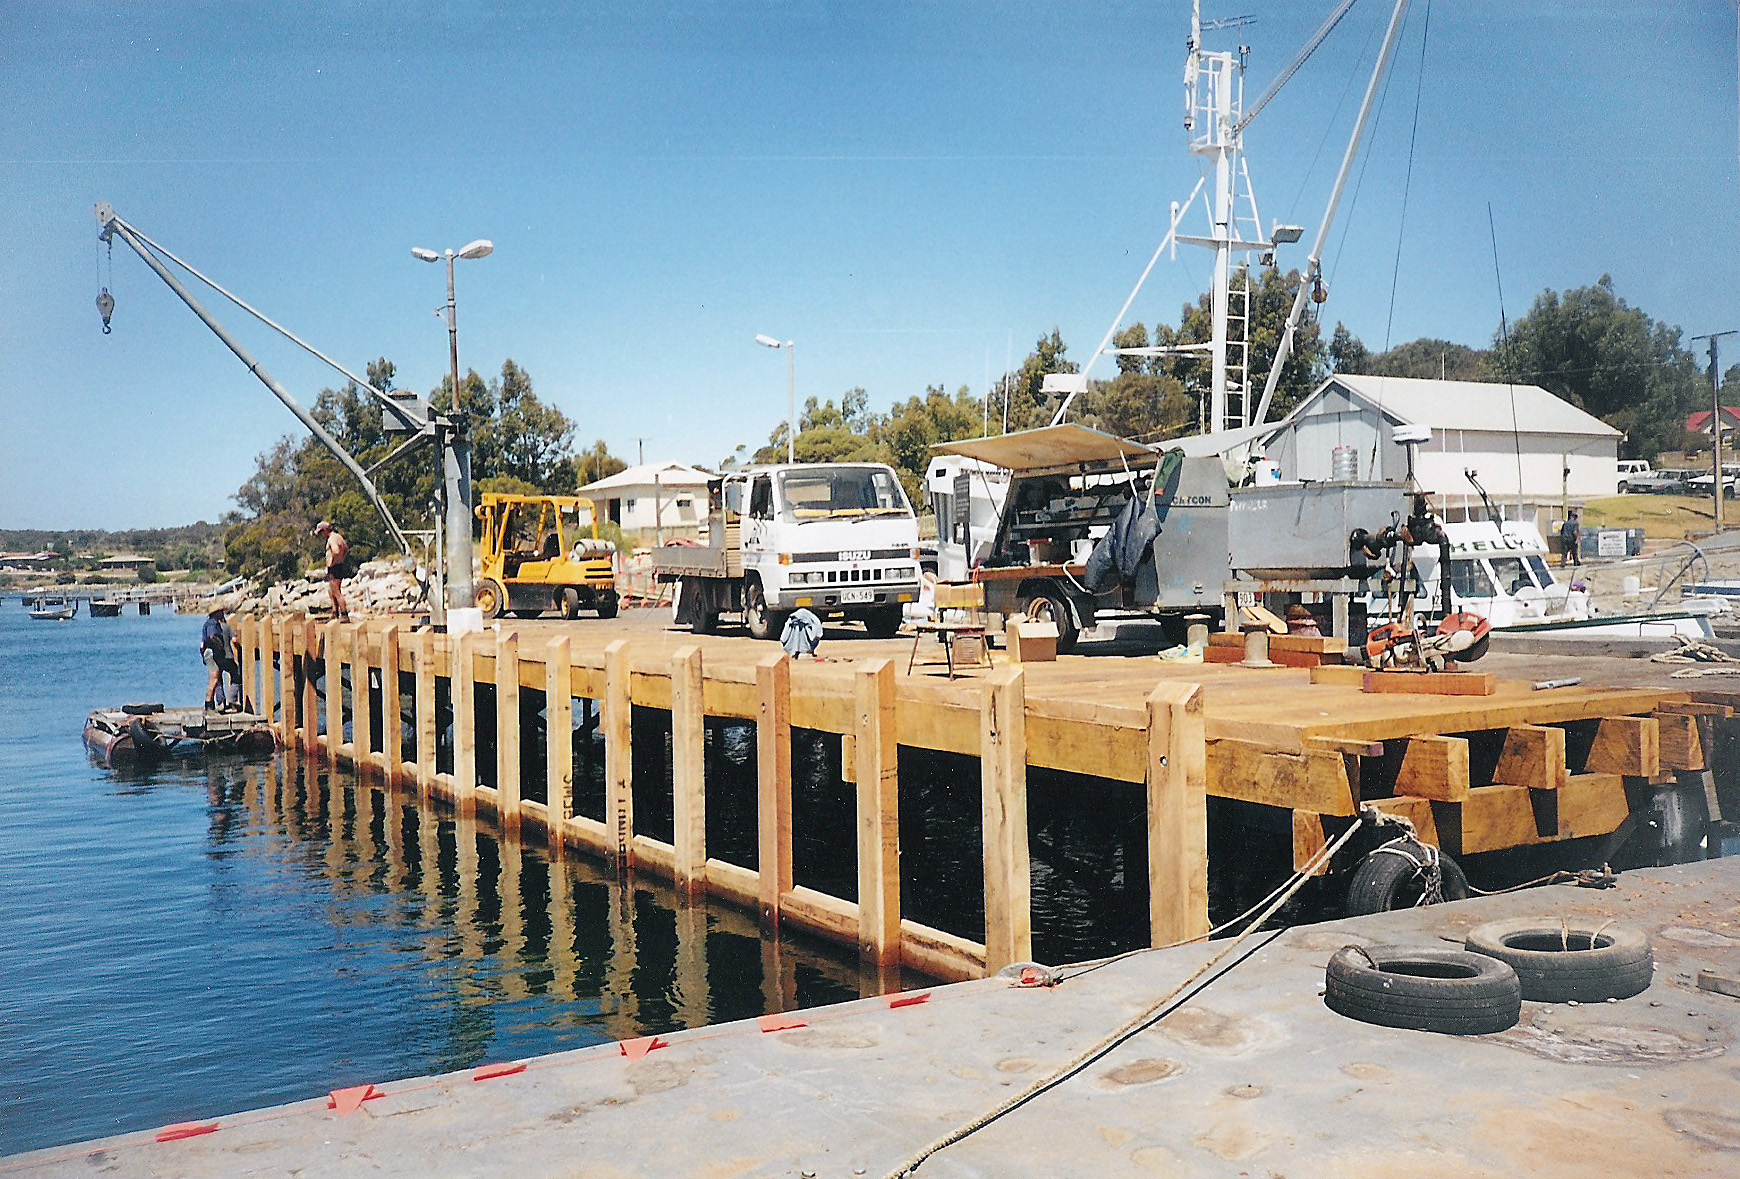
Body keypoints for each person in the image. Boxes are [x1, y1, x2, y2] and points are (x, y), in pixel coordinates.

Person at [201, 607, 243, 711]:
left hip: (214, 656)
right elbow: (233, 640)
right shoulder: (218, 625)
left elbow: (202, 644)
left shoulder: (207, 625)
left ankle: (220, 702)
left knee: (217, 679)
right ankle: (232, 700)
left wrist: (204, 655)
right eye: (221, 612)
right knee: (235, 674)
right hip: (224, 656)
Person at [315, 521, 351, 620]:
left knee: (336, 592)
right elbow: (346, 549)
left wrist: (332, 562)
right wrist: (341, 559)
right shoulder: (339, 537)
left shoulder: (332, 539)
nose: (321, 535)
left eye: (321, 532)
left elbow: (336, 551)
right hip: (339, 566)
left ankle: (344, 614)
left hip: (334, 567)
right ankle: (335, 612)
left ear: (325, 530)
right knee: (331, 591)